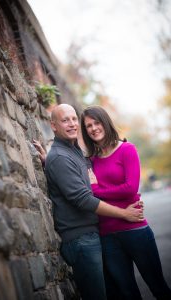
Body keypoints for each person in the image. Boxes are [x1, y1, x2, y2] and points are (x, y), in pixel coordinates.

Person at [33, 103, 144, 300]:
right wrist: (125, 214)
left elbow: (77, 175)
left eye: (74, 119)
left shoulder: (72, 151)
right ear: (53, 126)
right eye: (65, 120)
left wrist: (47, 161)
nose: (72, 124)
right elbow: (83, 199)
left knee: (115, 293)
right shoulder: (60, 157)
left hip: (92, 236)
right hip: (80, 240)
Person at [81, 105, 171, 300]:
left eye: (96, 122)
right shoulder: (90, 161)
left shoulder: (127, 150)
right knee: (127, 293)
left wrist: (97, 191)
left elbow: (130, 188)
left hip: (135, 230)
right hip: (107, 236)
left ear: (105, 122)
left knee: (158, 286)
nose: (93, 128)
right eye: (88, 125)